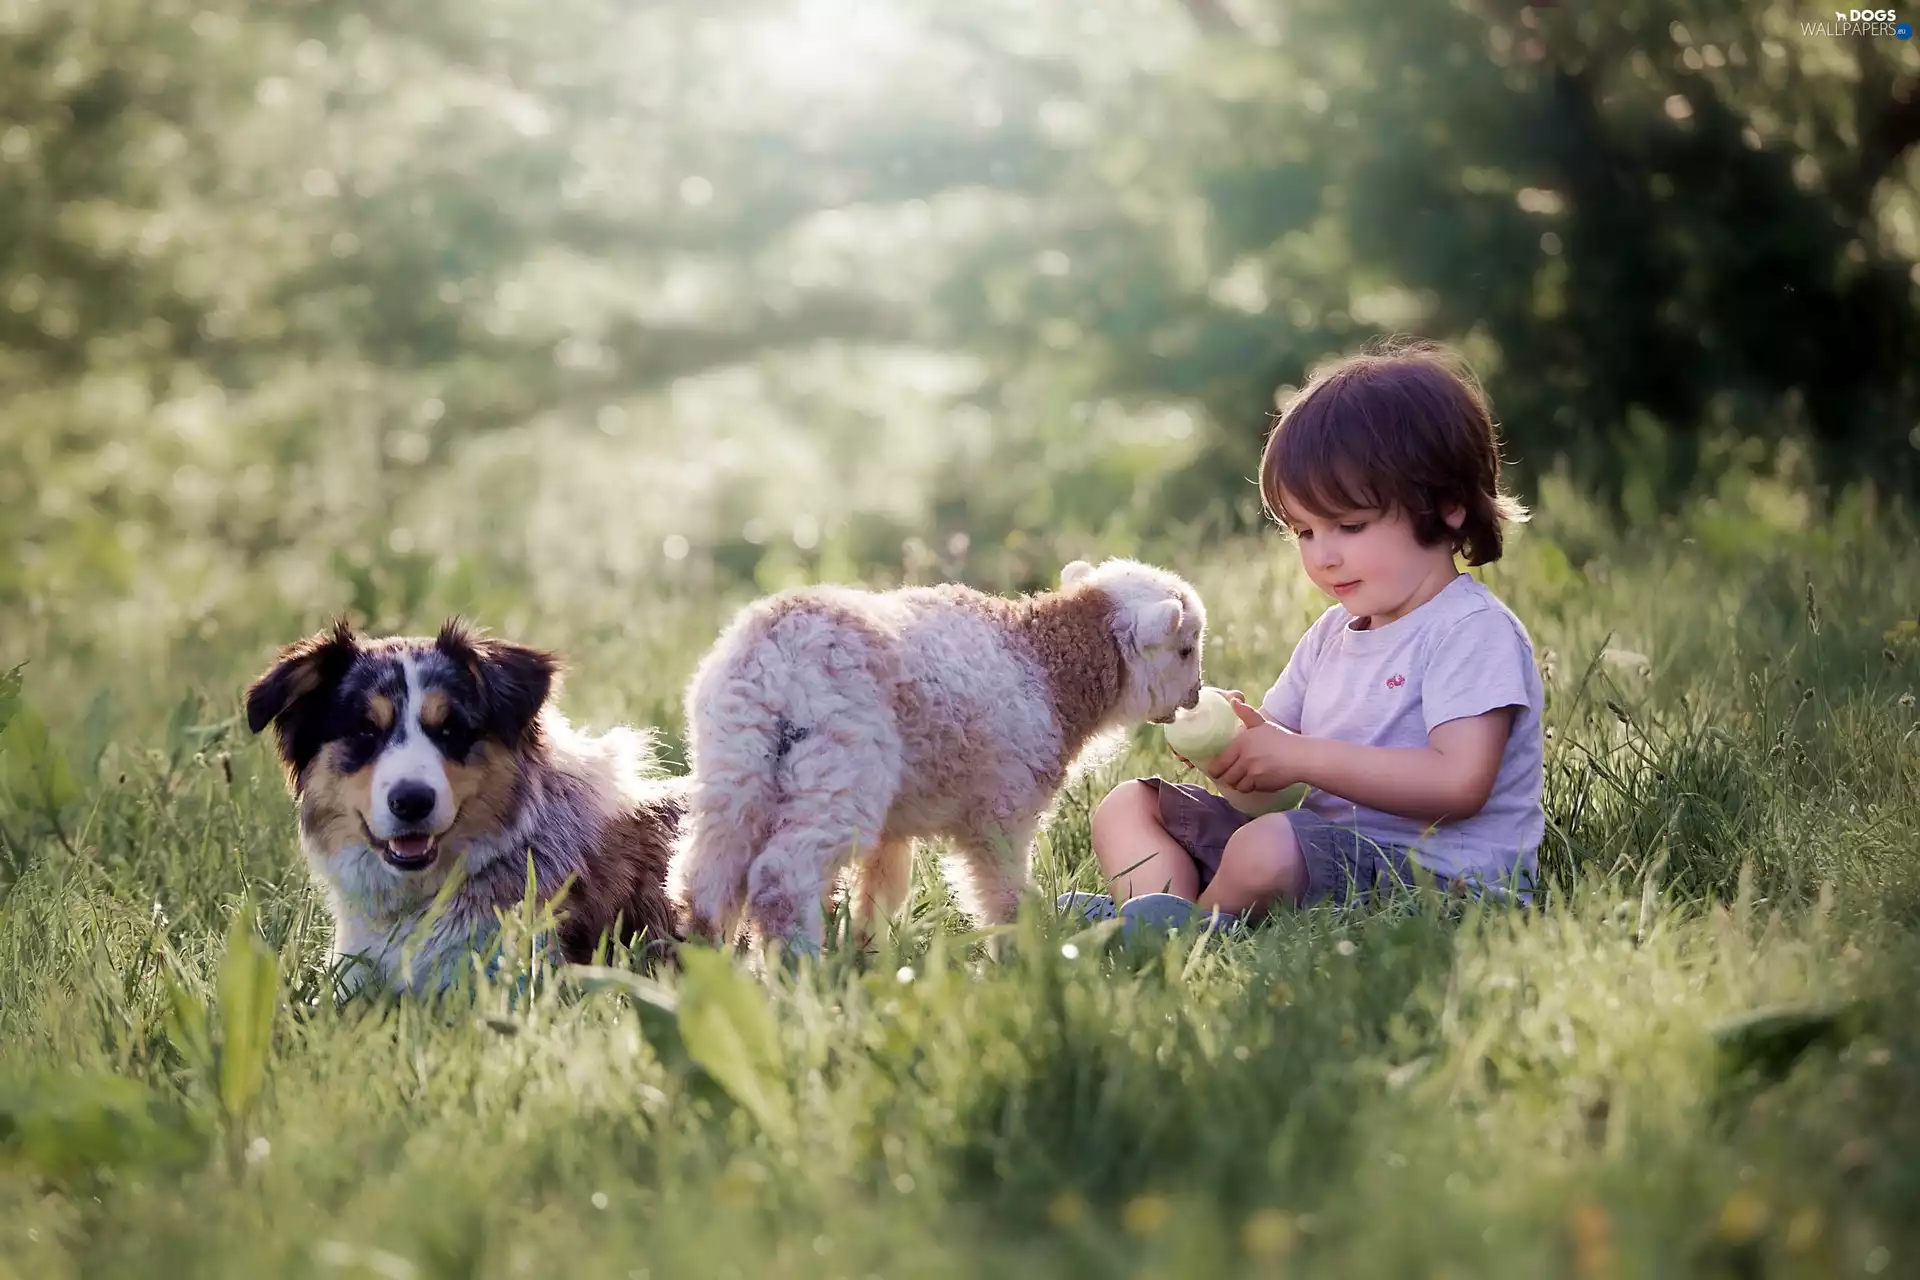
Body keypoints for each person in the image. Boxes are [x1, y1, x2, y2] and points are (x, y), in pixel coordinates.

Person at [1061, 339, 1546, 936]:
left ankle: (1182, 932)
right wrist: (1236, 754)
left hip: (1438, 883)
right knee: (1130, 805)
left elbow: (1459, 784)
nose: (1324, 557)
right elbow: (1273, 795)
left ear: (1445, 505)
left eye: (1348, 525)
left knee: (1266, 848)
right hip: (1316, 854)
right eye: (1304, 531)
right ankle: (1155, 915)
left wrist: (1300, 754)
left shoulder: (1470, 631)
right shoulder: (1332, 635)